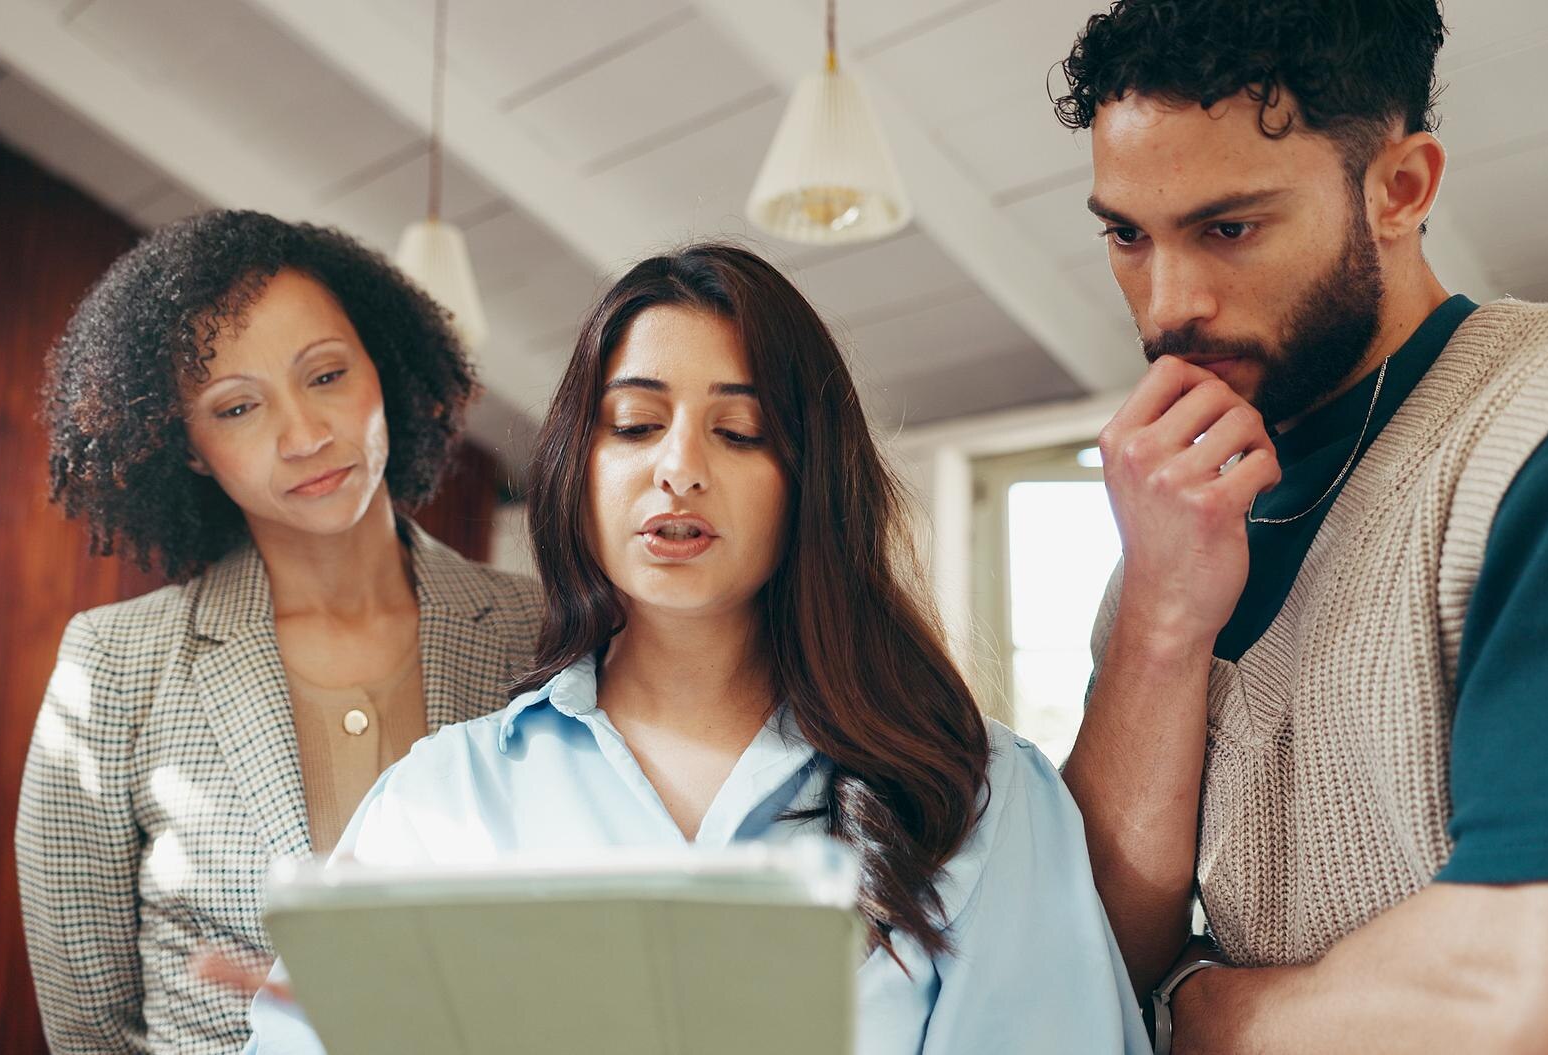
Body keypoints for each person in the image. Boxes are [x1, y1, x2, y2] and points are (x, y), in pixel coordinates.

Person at [1051, 2, 1548, 1052]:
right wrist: (1157, 620)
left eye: (1227, 227)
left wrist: (1201, 1009)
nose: (1166, 304)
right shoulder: (1169, 529)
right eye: (1125, 233)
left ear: (1399, 188)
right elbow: (1086, 955)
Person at [243, 243, 1151, 1054]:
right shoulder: (442, 798)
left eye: (739, 431)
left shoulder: (979, 795)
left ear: (809, 480)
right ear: (578, 468)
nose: (678, 467)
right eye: (635, 425)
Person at [17, 210, 542, 1053]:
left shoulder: (538, 633)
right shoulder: (113, 667)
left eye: (327, 374)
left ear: (383, 364)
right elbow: (88, 1027)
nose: (304, 436)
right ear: (186, 446)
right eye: (235, 408)